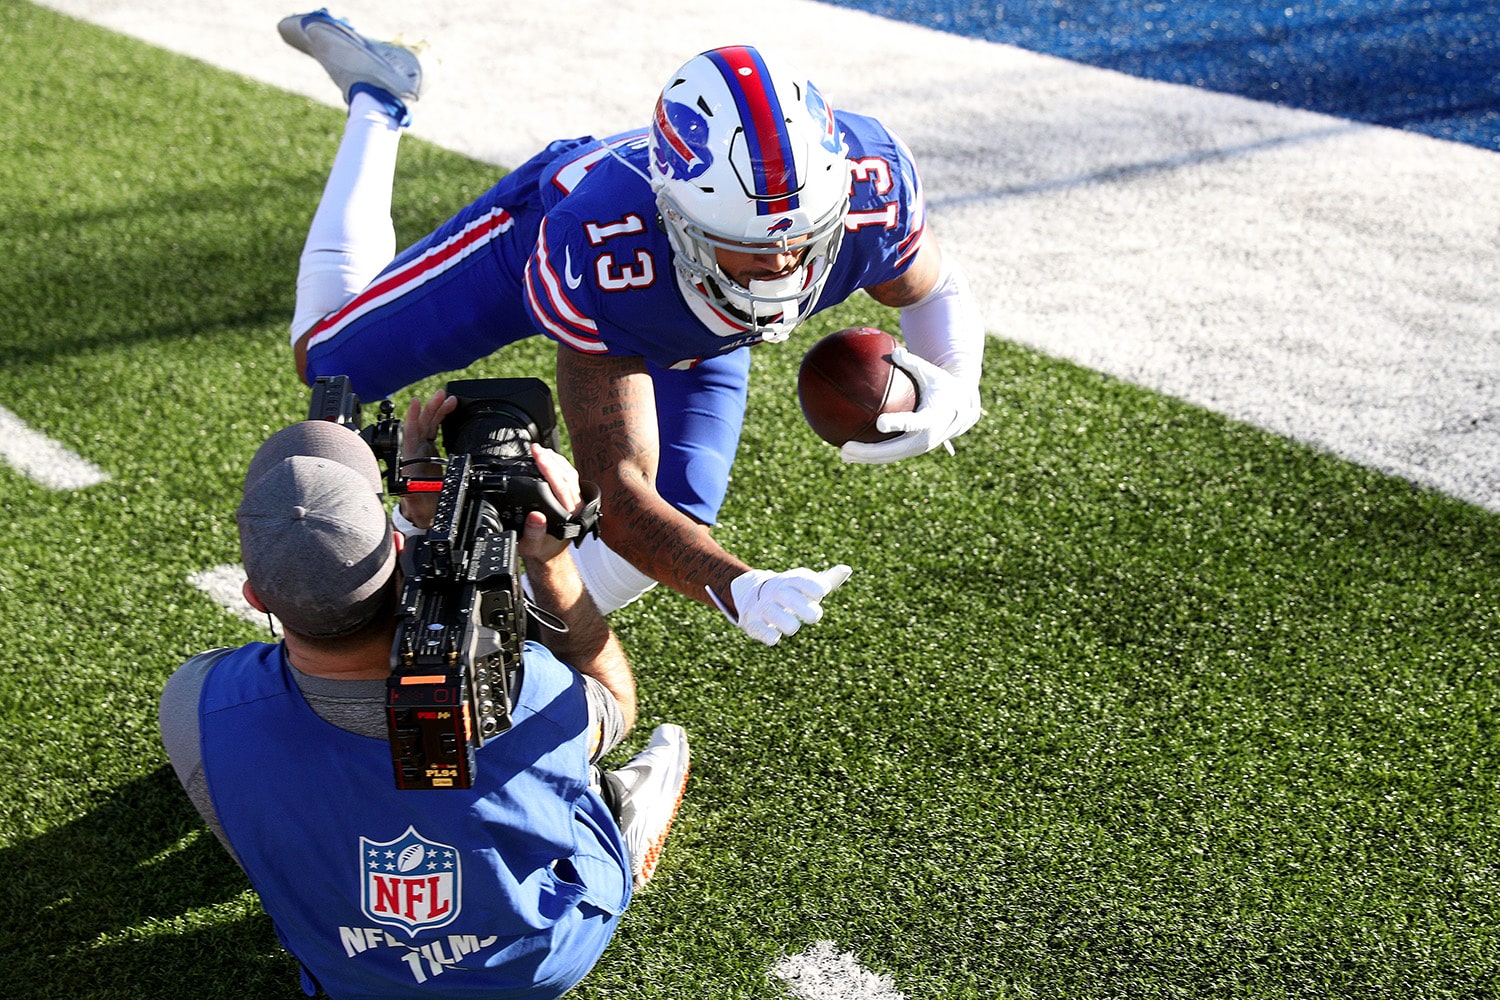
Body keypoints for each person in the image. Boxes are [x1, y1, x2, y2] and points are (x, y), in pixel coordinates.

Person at [276, 10, 986, 645]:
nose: (781, 266)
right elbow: (615, 490)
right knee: (330, 363)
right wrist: (737, 584)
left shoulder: (870, 192)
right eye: (750, 243)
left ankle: (507, 623)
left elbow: (934, 289)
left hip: (694, 311)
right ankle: (380, 97)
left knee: (681, 506)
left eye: (801, 237)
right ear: (678, 214)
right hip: (538, 245)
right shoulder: (600, 245)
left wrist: (955, 385)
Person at [158, 403, 691, 999]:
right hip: (537, 967)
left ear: (256, 597)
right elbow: (614, 698)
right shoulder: (525, 691)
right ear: (394, 545)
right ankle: (614, 810)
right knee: (572, 758)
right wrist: (554, 559)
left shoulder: (197, 704)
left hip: (350, 978)